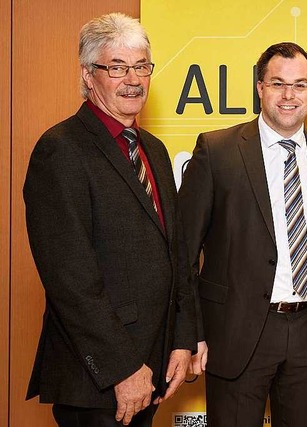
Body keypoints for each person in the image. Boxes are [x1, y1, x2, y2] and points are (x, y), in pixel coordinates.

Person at [23, 13, 197, 427]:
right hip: (101, 379)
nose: (133, 79)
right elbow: (70, 279)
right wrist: (122, 368)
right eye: (117, 67)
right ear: (88, 75)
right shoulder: (60, 149)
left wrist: (181, 340)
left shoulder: (152, 149)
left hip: (151, 365)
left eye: (141, 67)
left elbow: (176, 252)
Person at [178, 42, 307, 427]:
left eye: (300, 85)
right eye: (278, 83)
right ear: (260, 87)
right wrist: (191, 334)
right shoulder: (218, 150)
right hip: (236, 333)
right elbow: (184, 253)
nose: (289, 95)